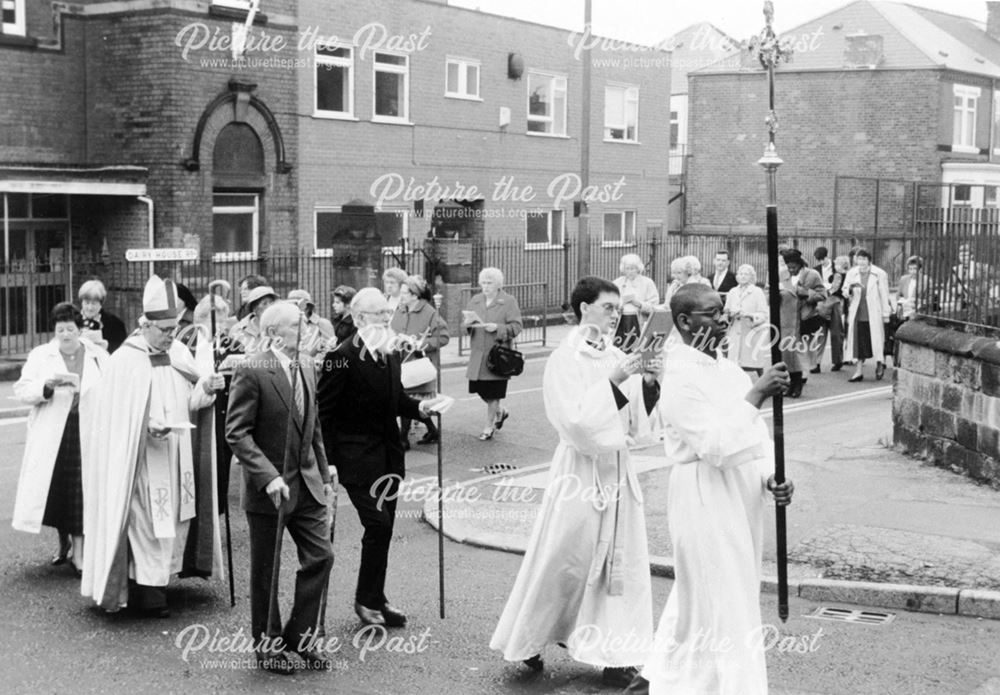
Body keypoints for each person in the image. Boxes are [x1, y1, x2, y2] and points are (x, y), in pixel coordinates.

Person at [490, 276, 661, 688]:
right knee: (565, 559)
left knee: (619, 565)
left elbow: (638, 422)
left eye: (619, 310)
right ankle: (531, 636)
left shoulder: (616, 353)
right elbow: (577, 423)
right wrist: (618, 379)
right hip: (580, 472)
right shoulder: (565, 358)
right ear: (583, 308)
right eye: (607, 308)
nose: (615, 316)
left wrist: (651, 385)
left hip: (616, 471)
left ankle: (618, 656)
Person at [632, 283, 794, 695]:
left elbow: (755, 435)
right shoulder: (680, 377)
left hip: (739, 494)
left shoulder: (726, 367)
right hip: (703, 494)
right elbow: (716, 446)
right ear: (685, 322)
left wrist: (772, 476)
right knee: (727, 601)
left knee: (707, 596)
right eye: (711, 312)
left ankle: (664, 676)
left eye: (722, 310)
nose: (723, 318)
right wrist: (757, 393)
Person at [81, 276, 225, 618]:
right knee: (146, 522)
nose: (170, 337)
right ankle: (148, 591)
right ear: (145, 325)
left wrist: (208, 386)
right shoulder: (126, 360)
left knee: (175, 519)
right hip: (142, 459)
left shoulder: (176, 352)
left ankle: (159, 581)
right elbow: (111, 415)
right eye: (163, 330)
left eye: (174, 329)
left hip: (177, 454)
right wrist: (145, 427)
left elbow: (191, 401)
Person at [317, 288, 440, 629]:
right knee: (378, 525)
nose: (387, 320)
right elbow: (323, 414)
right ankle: (363, 600)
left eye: (388, 314)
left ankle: (376, 598)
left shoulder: (389, 354)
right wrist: (328, 462)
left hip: (388, 456)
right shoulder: (340, 357)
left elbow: (395, 399)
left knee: (383, 531)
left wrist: (421, 407)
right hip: (355, 459)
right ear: (358, 319)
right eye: (378, 315)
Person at [225, 301, 335, 674]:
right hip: (269, 490)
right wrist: (268, 475)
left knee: (321, 557)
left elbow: (312, 423)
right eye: (297, 325)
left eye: (304, 323)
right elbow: (236, 432)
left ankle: (299, 636)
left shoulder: (306, 364)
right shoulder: (253, 370)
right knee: (266, 573)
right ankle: (268, 646)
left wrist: (324, 466)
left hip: (306, 484)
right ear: (273, 333)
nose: (305, 330)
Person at [12, 303, 109, 575]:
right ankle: (62, 544)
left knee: (80, 491)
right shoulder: (42, 355)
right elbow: (22, 390)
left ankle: (80, 555)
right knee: (58, 490)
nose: (65, 335)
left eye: (70, 329)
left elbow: (111, 387)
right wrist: (46, 388)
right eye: (60, 329)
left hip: (87, 428)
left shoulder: (98, 355)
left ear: (80, 329)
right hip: (54, 430)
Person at [390, 275, 449, 448]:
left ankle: (403, 438)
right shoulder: (400, 310)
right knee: (409, 399)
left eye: (404, 293)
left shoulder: (430, 312)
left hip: (419, 363)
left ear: (415, 295)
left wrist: (419, 344)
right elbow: (393, 331)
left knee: (409, 397)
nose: (401, 296)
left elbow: (443, 337)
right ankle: (432, 430)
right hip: (401, 360)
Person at [464, 267, 523, 441]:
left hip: (497, 356)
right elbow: (466, 325)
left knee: (494, 394)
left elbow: (517, 326)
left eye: (490, 283)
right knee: (480, 390)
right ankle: (500, 411)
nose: (486, 286)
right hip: (477, 355)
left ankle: (488, 427)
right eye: (483, 282)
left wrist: (498, 328)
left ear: (498, 284)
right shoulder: (475, 300)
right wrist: (469, 323)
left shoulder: (508, 301)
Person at [782, 249, 827, 395]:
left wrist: (807, 293)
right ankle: (791, 384)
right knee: (787, 353)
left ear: (800, 264)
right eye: (788, 267)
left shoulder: (812, 275)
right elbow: (769, 292)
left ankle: (798, 385)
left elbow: (822, 294)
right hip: (786, 320)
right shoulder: (782, 274)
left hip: (803, 319)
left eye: (793, 267)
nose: (790, 270)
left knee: (799, 354)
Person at [844, 250, 892, 382]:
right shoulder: (852, 273)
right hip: (858, 312)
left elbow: (884, 294)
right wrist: (850, 288)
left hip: (874, 312)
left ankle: (879, 364)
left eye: (864, 259)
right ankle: (858, 371)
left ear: (869, 260)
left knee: (876, 340)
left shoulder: (879, 273)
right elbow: (845, 291)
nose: (861, 262)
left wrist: (885, 313)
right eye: (859, 259)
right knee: (859, 343)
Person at [723, 264, 769, 376]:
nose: (743, 276)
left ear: (751, 276)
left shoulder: (757, 292)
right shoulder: (732, 291)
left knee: (752, 360)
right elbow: (726, 310)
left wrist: (749, 315)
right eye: (741, 274)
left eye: (746, 274)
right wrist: (729, 314)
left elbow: (763, 314)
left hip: (751, 330)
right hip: (735, 329)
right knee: (734, 362)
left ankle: (760, 381)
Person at [612, 254, 660, 352]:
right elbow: (610, 302)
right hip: (621, 322)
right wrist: (617, 308)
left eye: (633, 268)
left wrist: (639, 304)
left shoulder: (647, 283)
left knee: (637, 349)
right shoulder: (617, 283)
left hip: (639, 321)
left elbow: (654, 305)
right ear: (623, 269)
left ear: (638, 268)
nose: (630, 271)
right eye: (627, 268)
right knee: (620, 349)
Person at [78, 280, 128, 354]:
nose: (90, 308)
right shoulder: (72, 321)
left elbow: (122, 351)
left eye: (94, 303)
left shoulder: (115, 323)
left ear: (101, 303)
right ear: (81, 302)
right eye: (87, 303)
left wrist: (106, 346)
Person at [288, 289, 335, 359]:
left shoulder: (322, 324)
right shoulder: (289, 325)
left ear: (306, 308)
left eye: (295, 306)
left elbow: (330, 349)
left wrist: (314, 362)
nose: (290, 309)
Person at [230, 285, 278, 353]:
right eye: (264, 304)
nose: (270, 307)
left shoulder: (280, 329)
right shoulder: (238, 330)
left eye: (272, 303)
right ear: (254, 309)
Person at [897, 255, 927, 321]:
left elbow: (929, 299)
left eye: (915, 269)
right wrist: (900, 305)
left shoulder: (926, 281)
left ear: (920, 269)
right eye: (910, 269)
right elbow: (899, 295)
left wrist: (918, 302)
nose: (912, 271)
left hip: (918, 312)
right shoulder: (903, 279)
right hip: (905, 312)